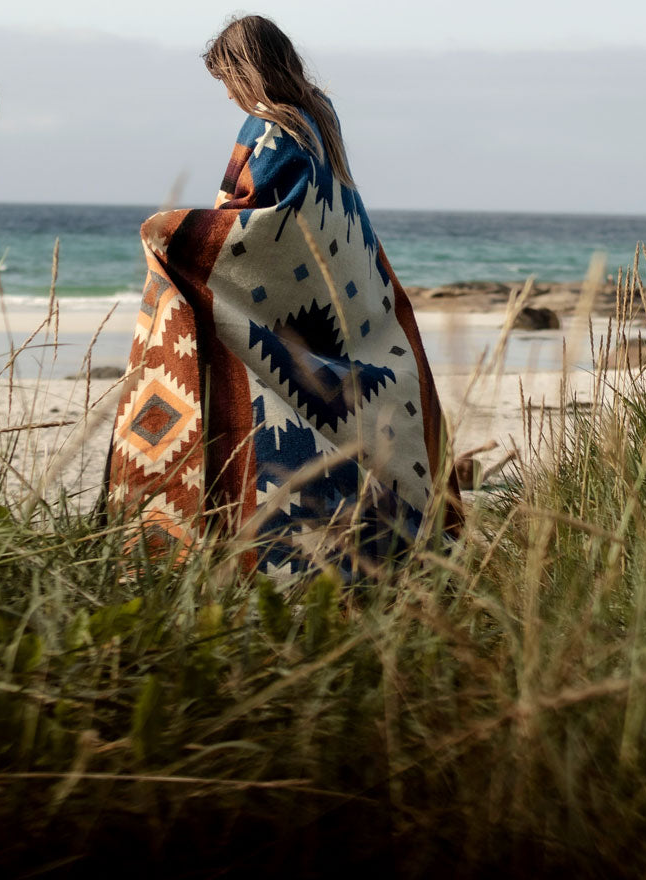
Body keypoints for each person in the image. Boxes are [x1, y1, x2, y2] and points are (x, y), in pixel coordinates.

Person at [104, 15, 461, 576]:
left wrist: (176, 235)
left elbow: (254, 224)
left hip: (292, 314)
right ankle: (391, 555)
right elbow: (321, 217)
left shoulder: (268, 127)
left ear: (247, 72)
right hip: (341, 304)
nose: (226, 93)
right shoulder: (321, 116)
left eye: (227, 78)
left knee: (273, 416)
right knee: (344, 428)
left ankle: (290, 562)